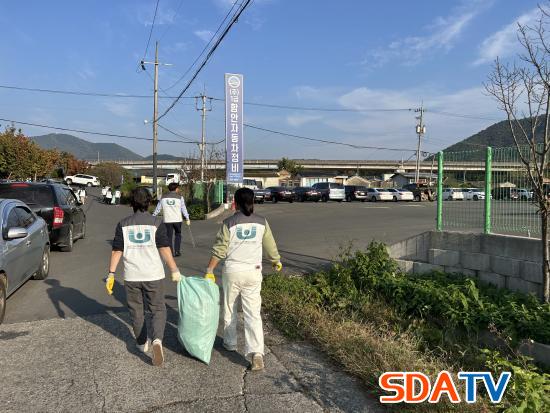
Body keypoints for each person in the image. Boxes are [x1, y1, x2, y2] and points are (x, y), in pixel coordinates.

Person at [205, 187, 282, 371]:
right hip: (253, 272)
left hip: (233, 271)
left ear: (236, 203)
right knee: (253, 313)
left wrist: (210, 270)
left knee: (230, 307)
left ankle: (230, 343)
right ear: (253, 202)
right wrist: (276, 261)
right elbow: (270, 244)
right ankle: (257, 352)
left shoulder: (229, 223)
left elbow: (220, 249)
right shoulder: (262, 222)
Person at [105, 187, 181, 366]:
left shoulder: (123, 224)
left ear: (131, 203)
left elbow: (117, 250)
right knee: (158, 309)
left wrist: (111, 274)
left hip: (132, 276)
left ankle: (141, 343)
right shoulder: (156, 223)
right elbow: (164, 248)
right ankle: (157, 340)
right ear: (149, 202)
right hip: (153, 274)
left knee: (136, 310)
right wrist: (174, 269)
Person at [152, 182, 190, 257]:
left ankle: (171, 252)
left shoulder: (163, 197)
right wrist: (187, 218)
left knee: (169, 236)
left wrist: (153, 216)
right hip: (177, 220)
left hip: (167, 220)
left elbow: (158, 209)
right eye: (178, 188)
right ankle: (177, 251)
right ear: (176, 189)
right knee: (178, 235)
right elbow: (183, 208)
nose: (178, 189)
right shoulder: (180, 197)